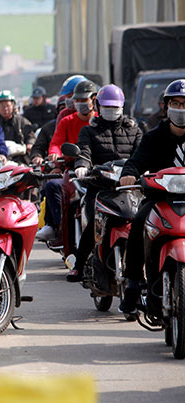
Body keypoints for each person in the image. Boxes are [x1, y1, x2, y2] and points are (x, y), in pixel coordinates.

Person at [118, 80, 185, 315]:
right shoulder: (153, 137)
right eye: (175, 103)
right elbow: (136, 161)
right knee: (138, 223)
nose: (180, 109)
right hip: (160, 200)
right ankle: (134, 284)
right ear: (166, 107)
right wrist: (128, 174)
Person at [65, 84, 142, 282]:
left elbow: (142, 155)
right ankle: (79, 265)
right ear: (98, 106)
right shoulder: (89, 131)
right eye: (107, 107)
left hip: (130, 189)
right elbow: (84, 153)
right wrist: (82, 166)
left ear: (122, 107)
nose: (111, 110)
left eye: (115, 107)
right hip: (100, 188)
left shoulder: (134, 129)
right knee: (94, 223)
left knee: (146, 223)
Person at [36, 80, 98, 241]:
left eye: (84, 100)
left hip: (98, 171)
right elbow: (56, 143)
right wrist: (55, 155)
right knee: (53, 186)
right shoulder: (66, 121)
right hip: (71, 170)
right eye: (77, 100)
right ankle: (58, 227)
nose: (80, 104)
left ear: (94, 99)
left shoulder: (99, 121)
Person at [0, 90, 36, 165]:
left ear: (13, 106)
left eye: (8, 106)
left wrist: (30, 144)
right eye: (2, 106)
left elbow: (31, 137)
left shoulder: (22, 121)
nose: (5, 109)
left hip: (20, 158)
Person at [30, 95, 68, 165]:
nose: (65, 112)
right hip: (54, 167)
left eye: (69, 109)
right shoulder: (48, 129)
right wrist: (37, 157)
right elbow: (38, 147)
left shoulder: (82, 126)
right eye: (63, 109)